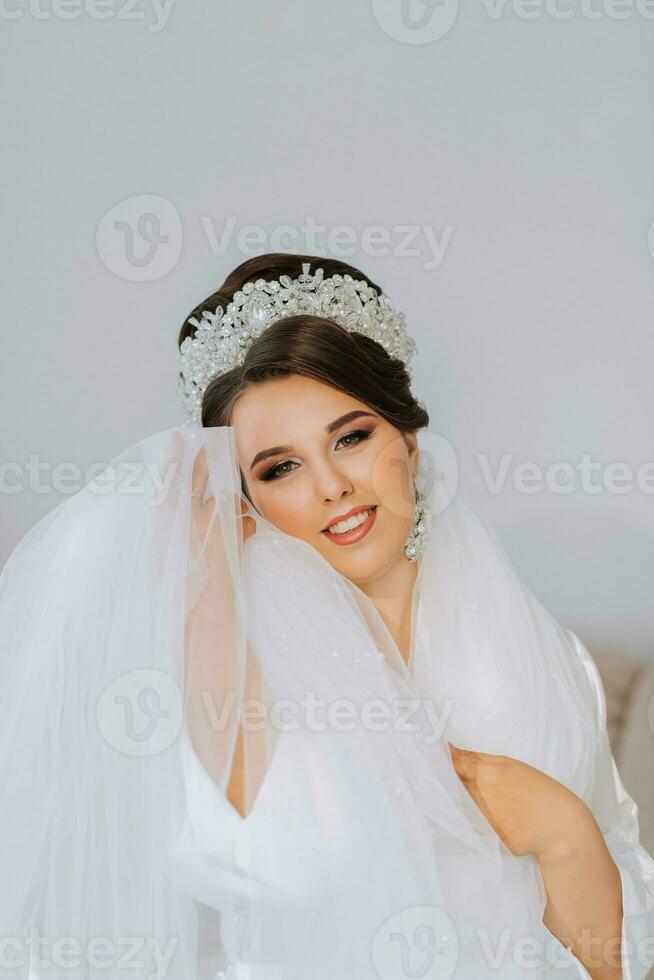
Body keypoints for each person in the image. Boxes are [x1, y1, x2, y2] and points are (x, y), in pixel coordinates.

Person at [0, 254, 652, 980]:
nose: (333, 487)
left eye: (350, 437)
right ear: (242, 500)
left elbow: (614, 958)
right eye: (281, 468)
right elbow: (280, 861)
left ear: (407, 441)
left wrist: (566, 836)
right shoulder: (224, 680)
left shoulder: (550, 659)